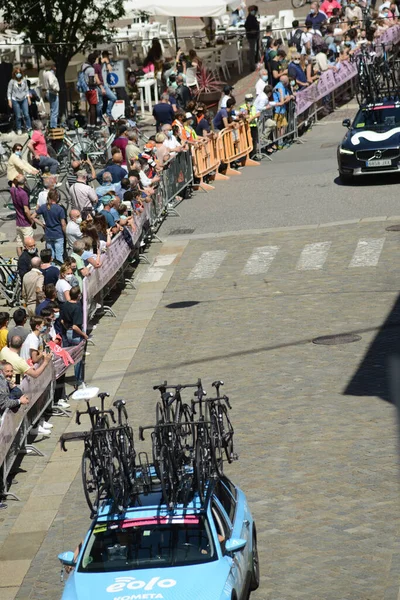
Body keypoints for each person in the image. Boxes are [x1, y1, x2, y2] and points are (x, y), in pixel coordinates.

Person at [60, 285, 88, 384]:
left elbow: (62, 321)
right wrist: (84, 335)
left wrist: (67, 328)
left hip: (67, 332)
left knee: (69, 356)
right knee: (78, 358)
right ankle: (79, 380)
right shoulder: (76, 307)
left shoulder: (65, 305)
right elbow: (76, 326)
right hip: (75, 334)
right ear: (78, 295)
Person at [34, 189, 66, 264]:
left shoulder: (43, 207)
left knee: (50, 256)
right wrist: (66, 233)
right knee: (59, 256)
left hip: (48, 234)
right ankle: (59, 270)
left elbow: (33, 217)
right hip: (58, 234)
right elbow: (63, 224)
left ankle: (52, 268)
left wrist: (42, 224)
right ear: (57, 198)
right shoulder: (60, 209)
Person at [10, 174, 35, 257]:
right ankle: (28, 260)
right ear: (25, 182)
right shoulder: (23, 194)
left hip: (18, 223)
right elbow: (26, 210)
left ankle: (21, 261)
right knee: (29, 245)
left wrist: (15, 178)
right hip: (26, 224)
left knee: (19, 245)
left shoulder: (13, 190)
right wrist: (31, 221)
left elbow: (13, 184)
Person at [7, 67, 32, 135]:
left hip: (24, 99)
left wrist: (28, 98)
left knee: (26, 114)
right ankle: (19, 128)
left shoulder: (24, 80)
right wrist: (9, 101)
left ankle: (29, 128)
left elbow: (27, 89)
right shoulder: (12, 81)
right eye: (17, 73)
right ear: (14, 74)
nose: (18, 74)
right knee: (18, 116)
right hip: (15, 100)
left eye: (19, 73)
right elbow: (9, 91)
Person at [273, 75, 295, 141]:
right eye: (288, 81)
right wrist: (289, 97)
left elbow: (287, 95)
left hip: (283, 110)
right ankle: (279, 141)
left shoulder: (284, 86)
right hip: (278, 110)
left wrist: (289, 96)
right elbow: (282, 99)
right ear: (285, 82)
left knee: (284, 125)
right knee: (279, 127)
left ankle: (281, 140)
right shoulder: (279, 87)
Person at [80, 53, 99, 127]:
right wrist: (97, 84)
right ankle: (93, 124)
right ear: (93, 60)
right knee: (93, 107)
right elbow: (91, 81)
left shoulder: (83, 66)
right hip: (91, 90)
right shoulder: (91, 69)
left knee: (90, 107)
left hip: (85, 90)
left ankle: (88, 122)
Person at [239, 94, 260, 158]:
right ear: (246, 100)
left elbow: (258, 114)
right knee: (248, 141)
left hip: (253, 125)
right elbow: (245, 116)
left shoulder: (254, 106)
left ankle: (254, 154)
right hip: (247, 127)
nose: (250, 101)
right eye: (249, 100)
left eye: (251, 100)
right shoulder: (242, 107)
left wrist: (252, 117)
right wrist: (248, 109)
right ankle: (248, 155)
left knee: (254, 140)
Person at [98, 50, 117, 119]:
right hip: (102, 86)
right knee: (113, 98)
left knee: (105, 102)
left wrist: (108, 62)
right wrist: (106, 61)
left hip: (107, 85)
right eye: (107, 55)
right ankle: (107, 113)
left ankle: (104, 115)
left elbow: (110, 70)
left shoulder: (106, 63)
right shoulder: (101, 62)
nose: (108, 57)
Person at [43, 63, 60, 129]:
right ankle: (53, 126)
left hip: (49, 92)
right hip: (52, 92)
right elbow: (51, 83)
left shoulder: (46, 73)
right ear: (53, 67)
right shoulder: (50, 74)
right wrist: (56, 89)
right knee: (55, 111)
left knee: (52, 110)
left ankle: (52, 125)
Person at [245, 5, 260, 71]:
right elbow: (247, 26)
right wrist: (252, 30)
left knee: (254, 50)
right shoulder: (250, 18)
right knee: (252, 51)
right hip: (251, 37)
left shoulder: (252, 17)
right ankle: (252, 66)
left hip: (254, 36)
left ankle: (254, 64)